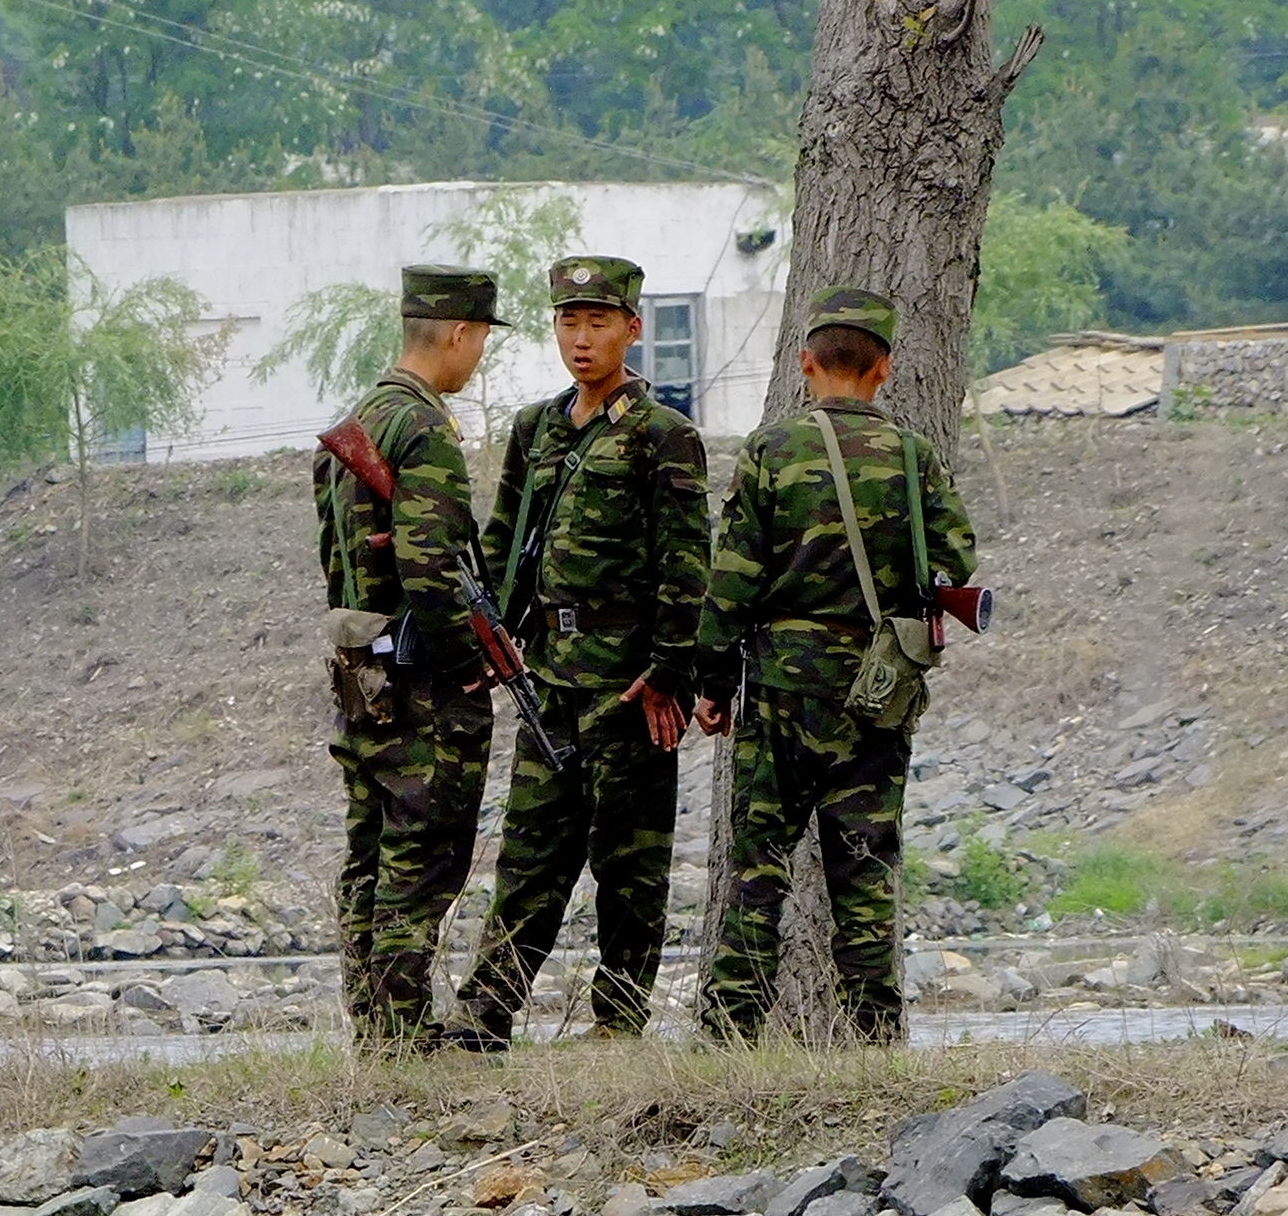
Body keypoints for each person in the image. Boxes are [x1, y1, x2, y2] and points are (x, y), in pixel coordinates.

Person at [690, 286, 976, 1042]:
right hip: (875, 691)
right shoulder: (916, 459)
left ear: (805, 362)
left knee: (758, 865)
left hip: (780, 687)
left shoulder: (771, 452)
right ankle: (876, 1038)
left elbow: (733, 576)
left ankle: (730, 1036)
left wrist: (713, 681)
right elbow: (953, 566)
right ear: (884, 369)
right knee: (865, 867)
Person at [442, 258, 708, 1052]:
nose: (581, 339)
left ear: (632, 328)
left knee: (631, 864)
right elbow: (504, 538)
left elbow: (687, 561)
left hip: (627, 681)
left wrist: (668, 672)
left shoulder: (665, 436)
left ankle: (618, 1021)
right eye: (568, 321)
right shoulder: (538, 428)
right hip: (547, 674)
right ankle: (484, 1017)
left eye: (598, 322)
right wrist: (487, 629)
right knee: (529, 852)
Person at [314, 265, 504, 1050]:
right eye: (482, 341)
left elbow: (338, 558)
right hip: (422, 677)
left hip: (363, 669)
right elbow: (431, 568)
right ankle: (403, 1032)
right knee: (421, 857)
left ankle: (374, 1029)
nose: (480, 357)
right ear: (459, 335)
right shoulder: (422, 429)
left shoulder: (357, 421)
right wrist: (469, 660)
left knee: (369, 848)